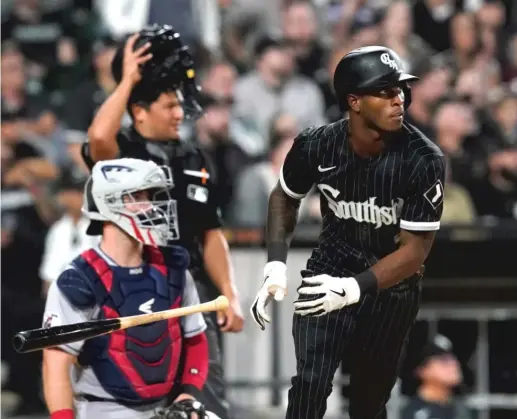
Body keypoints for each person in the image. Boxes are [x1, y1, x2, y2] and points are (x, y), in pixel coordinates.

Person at [250, 46, 446, 419]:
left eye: (400, 90)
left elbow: (414, 252)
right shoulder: (316, 144)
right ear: (354, 101)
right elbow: (284, 197)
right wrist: (275, 264)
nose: (399, 99)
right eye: (385, 91)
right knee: (309, 385)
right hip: (330, 268)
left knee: (368, 403)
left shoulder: (424, 159)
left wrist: (355, 288)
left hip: (391, 288)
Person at [81, 25, 243, 419]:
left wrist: (229, 292)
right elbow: (98, 138)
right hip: (133, 287)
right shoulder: (125, 153)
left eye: (178, 104)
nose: (178, 113)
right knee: (136, 399)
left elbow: (211, 232)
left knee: (202, 400)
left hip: (192, 289)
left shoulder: (192, 157)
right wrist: (129, 81)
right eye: (169, 106)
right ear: (139, 111)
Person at [42, 157, 215, 419]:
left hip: (168, 407)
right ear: (109, 203)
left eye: (151, 195)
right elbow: (55, 365)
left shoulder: (173, 269)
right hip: (105, 409)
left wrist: (188, 395)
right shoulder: (79, 280)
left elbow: (195, 340)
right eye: (138, 196)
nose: (152, 206)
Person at [402, 334, 473, 419]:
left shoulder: (460, 407)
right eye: (444, 361)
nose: (454, 364)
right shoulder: (416, 413)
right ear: (422, 370)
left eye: (454, 358)